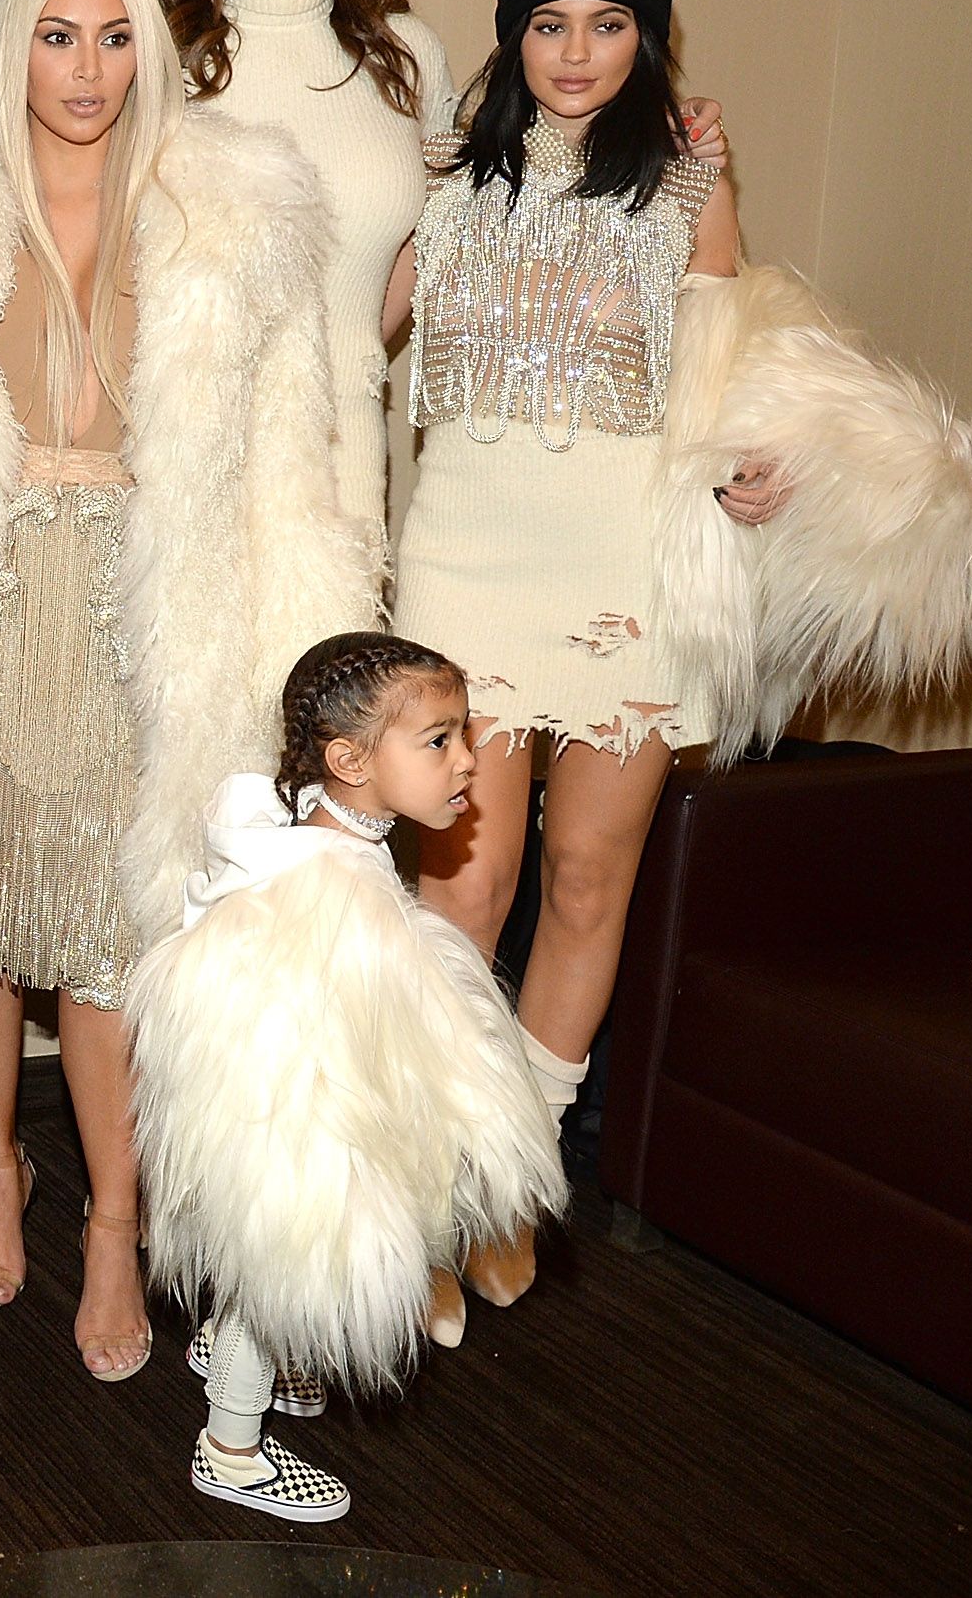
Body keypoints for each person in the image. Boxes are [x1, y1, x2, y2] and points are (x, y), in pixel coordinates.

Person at [386, 0, 972, 1325]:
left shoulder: (688, 179)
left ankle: (511, 1176)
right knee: (460, 894)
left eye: (608, 22)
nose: (575, 51)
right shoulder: (436, 168)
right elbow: (346, 337)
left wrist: (755, 479)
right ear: (514, 35)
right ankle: (429, 1173)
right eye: (549, 22)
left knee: (589, 881)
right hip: (462, 563)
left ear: (647, 37)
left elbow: (732, 378)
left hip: (624, 566)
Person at [0, 0, 377, 1384]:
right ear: (10, 46)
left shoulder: (232, 208)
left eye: (111, 38)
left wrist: (304, 665)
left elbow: (292, 466)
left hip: (152, 600)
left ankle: (111, 1219)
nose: (86, 71)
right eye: (56, 38)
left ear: (147, 47)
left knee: (112, 924)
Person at [139, 0, 726, 543]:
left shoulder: (404, 55)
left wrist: (659, 124)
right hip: (184, 451)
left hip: (345, 449)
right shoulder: (156, 57)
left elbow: (472, 214)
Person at [129, 632, 569, 1524]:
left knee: (281, 1263)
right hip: (288, 1115)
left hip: (281, 1097)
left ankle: (240, 1357)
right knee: (280, 1264)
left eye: (463, 736)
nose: (469, 763)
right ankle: (232, 1448)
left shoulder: (311, 847)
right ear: (350, 759)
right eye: (439, 740)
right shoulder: (330, 885)